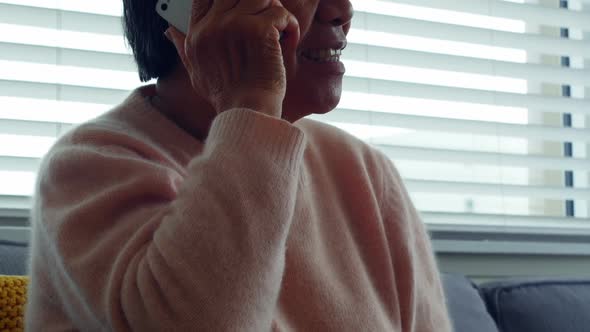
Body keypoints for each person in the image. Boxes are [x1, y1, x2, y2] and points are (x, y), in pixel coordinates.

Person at [24, 0, 452, 330]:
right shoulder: (87, 170)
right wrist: (252, 103)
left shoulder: (366, 173)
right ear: (194, 11)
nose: (342, 10)